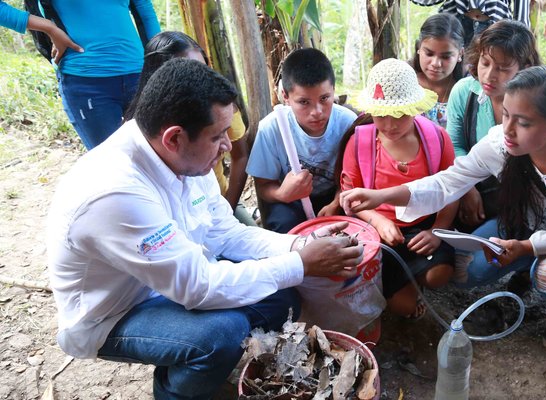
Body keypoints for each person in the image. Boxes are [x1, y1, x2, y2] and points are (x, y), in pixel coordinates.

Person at [46, 58, 364, 399]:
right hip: (116, 313)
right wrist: (302, 264)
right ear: (174, 138)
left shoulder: (184, 160)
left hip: (171, 281)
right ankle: (173, 391)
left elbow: (227, 233)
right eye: (217, 136)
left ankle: (196, 358)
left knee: (281, 296)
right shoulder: (114, 192)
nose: (228, 145)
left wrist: (301, 245)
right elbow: (196, 287)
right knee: (221, 334)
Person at [342, 66, 546, 348]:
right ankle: (527, 264)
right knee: (464, 269)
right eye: (507, 114)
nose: (508, 130)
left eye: (523, 123)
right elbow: (446, 183)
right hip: (528, 224)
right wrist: (380, 197)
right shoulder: (500, 142)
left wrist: (523, 247)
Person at [343, 58, 458, 319]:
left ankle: (414, 279)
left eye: (399, 115)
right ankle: (404, 285)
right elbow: (351, 198)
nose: (390, 125)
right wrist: (379, 221)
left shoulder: (437, 139)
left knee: (439, 274)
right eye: (381, 115)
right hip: (379, 233)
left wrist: (436, 231)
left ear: (415, 108)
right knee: (403, 309)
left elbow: (451, 191)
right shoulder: (360, 143)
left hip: (424, 225)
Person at [125, 31, 255, 226]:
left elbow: (223, 231)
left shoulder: (218, 113)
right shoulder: (134, 176)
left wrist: (227, 209)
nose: (200, 81)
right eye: (188, 72)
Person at [0, 1, 160, 150]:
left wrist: (159, 61)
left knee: (161, 159)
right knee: (111, 165)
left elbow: (144, 10)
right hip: (86, 83)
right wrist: (49, 28)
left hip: (141, 76)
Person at [247, 48, 358, 233]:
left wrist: (336, 202)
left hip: (338, 196)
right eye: (304, 102)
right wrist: (282, 194)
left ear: (334, 90)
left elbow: (355, 177)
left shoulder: (348, 123)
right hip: (290, 200)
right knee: (284, 224)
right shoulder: (271, 128)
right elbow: (263, 186)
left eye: (324, 98)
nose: (317, 111)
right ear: (286, 97)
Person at [447, 19, 540, 233]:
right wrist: (467, 187)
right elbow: (454, 144)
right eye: (485, 62)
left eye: (503, 68)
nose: (489, 75)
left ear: (525, 67)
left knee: (479, 261)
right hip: (475, 190)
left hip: (523, 202)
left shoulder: (536, 102)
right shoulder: (464, 92)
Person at [412, 13, 466, 128]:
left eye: (445, 57)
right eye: (429, 53)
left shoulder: (467, 92)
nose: (436, 63)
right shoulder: (405, 84)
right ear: (419, 48)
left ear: (460, 54)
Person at [410, 0, 531, 46]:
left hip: (494, 24)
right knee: (451, 75)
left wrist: (523, 43)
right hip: (455, 23)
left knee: (488, 73)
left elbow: (522, 16)